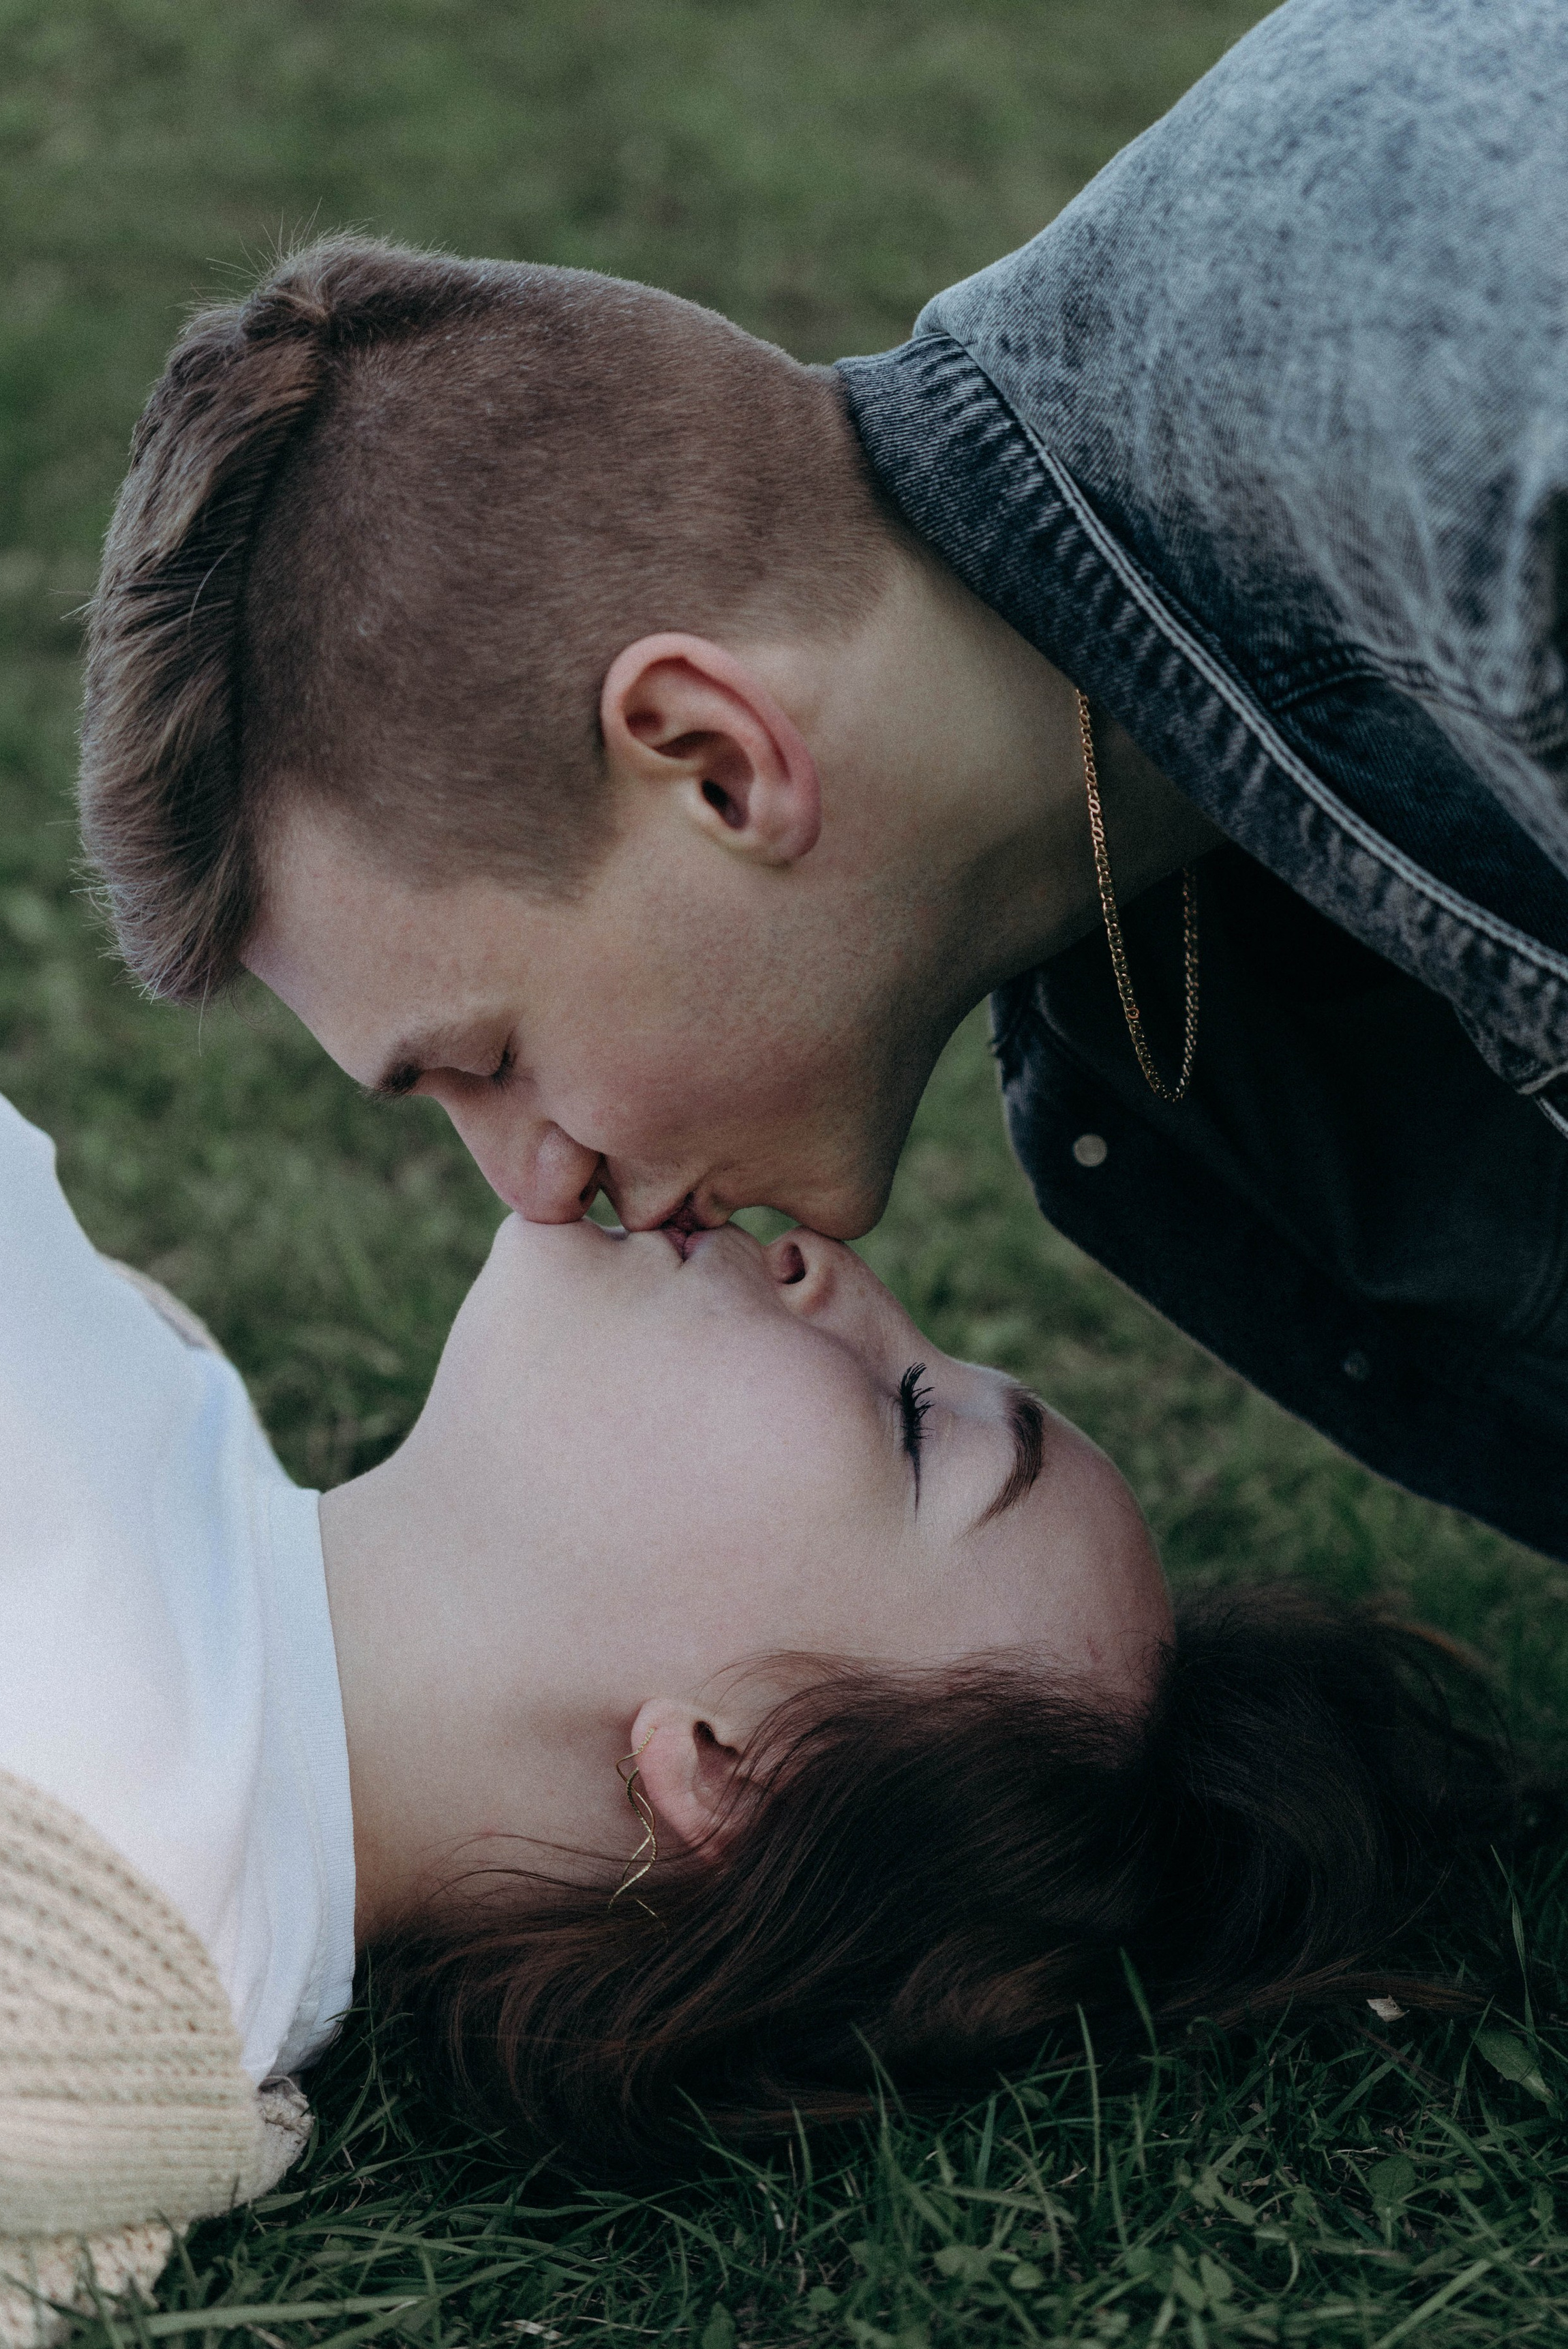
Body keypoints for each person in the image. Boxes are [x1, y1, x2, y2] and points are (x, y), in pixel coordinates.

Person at [79, 0, 1568, 1563]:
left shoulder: (1479, 420)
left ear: (713, 764)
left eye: (490, 1060)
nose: (532, 1187)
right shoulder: (1136, 1040)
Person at [0, 1034, 1507, 2209]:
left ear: (729, 1766)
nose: (830, 1271)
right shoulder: (174, 1442)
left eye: (915, 1420)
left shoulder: (72, 1902)